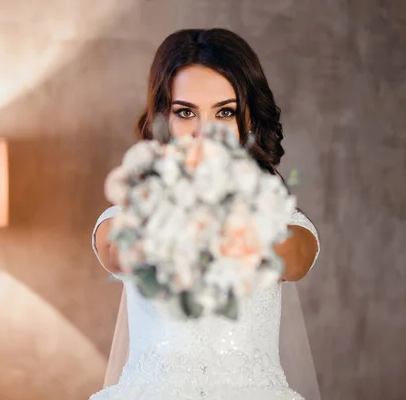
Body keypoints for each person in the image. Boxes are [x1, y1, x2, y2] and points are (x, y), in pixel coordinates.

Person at [89, 28, 321, 400]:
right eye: (185, 112)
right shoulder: (126, 216)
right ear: (163, 117)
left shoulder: (283, 222)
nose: (205, 133)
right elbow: (119, 251)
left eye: (224, 112)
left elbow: (293, 257)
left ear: (248, 120)